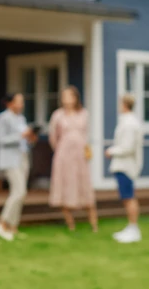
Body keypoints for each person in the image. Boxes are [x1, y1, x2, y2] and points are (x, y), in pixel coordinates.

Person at [48, 86, 98, 232]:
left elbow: (86, 134)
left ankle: (94, 225)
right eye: (63, 96)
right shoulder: (57, 115)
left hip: (80, 156)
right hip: (64, 155)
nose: (66, 99)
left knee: (84, 185)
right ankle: (71, 225)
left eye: (69, 96)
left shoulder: (83, 114)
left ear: (75, 98)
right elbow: (53, 137)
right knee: (65, 185)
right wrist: (61, 150)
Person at [0, 93, 38, 241]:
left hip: (23, 158)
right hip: (10, 160)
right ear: (9, 103)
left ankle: (13, 227)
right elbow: (1, 140)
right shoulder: (2, 118)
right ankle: (1, 223)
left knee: (20, 193)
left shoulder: (21, 119)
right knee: (19, 191)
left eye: (22, 102)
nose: (21, 105)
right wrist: (21, 136)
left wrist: (30, 137)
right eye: (19, 102)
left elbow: (25, 139)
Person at [105, 94, 144, 243]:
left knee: (129, 197)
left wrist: (111, 151)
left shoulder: (129, 124)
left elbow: (127, 147)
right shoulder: (129, 122)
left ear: (124, 104)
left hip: (126, 166)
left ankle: (133, 228)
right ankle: (131, 227)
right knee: (127, 197)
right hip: (125, 165)